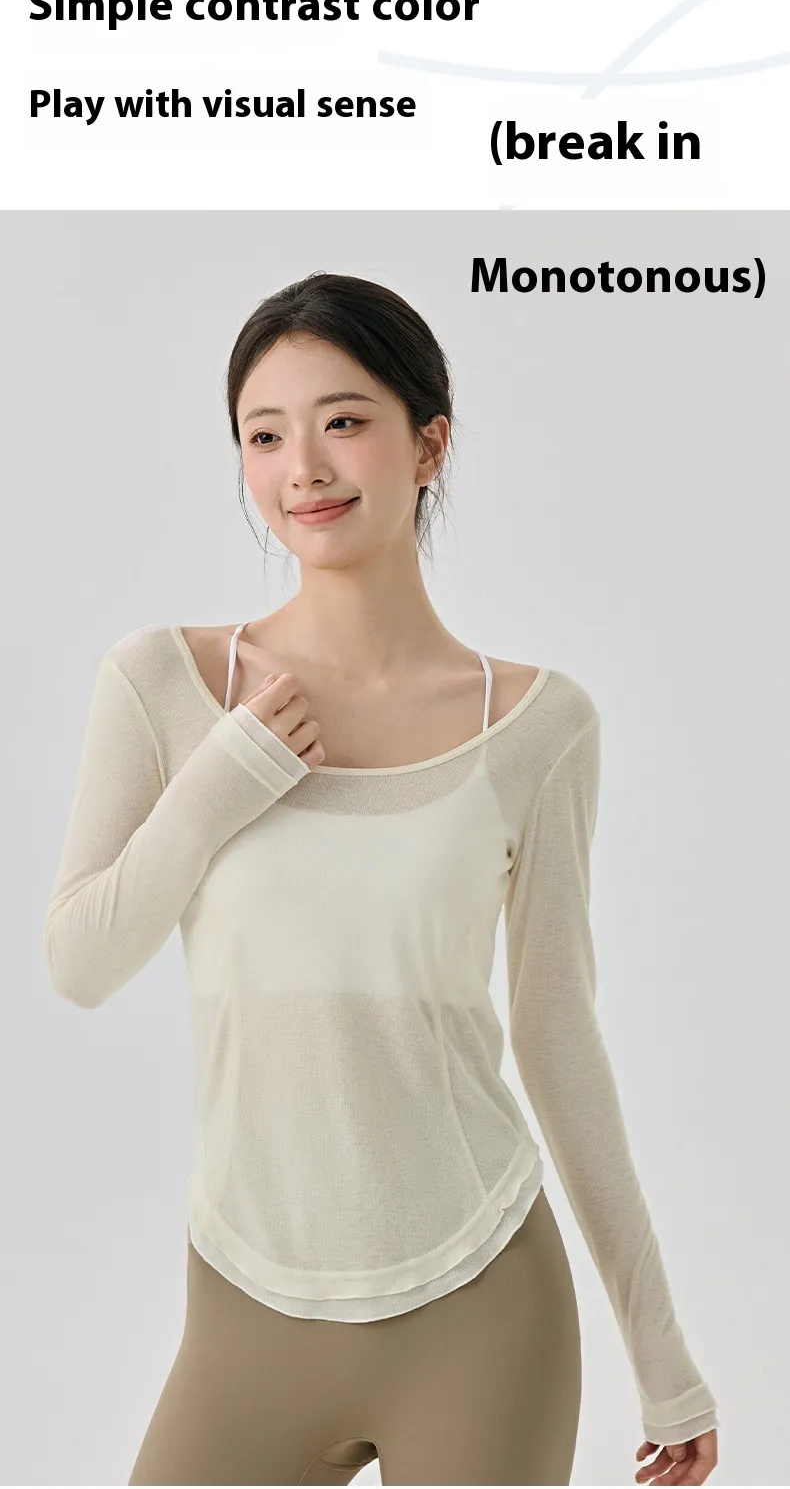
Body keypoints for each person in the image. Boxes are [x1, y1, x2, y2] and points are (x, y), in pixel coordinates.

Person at [44, 271, 719, 1486]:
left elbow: (556, 1034)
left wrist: (660, 1351)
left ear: (429, 443)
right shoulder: (163, 684)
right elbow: (80, 960)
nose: (302, 466)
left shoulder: (539, 726)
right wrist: (220, 778)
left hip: (482, 1301)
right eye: (264, 434)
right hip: (245, 1301)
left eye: (344, 420)